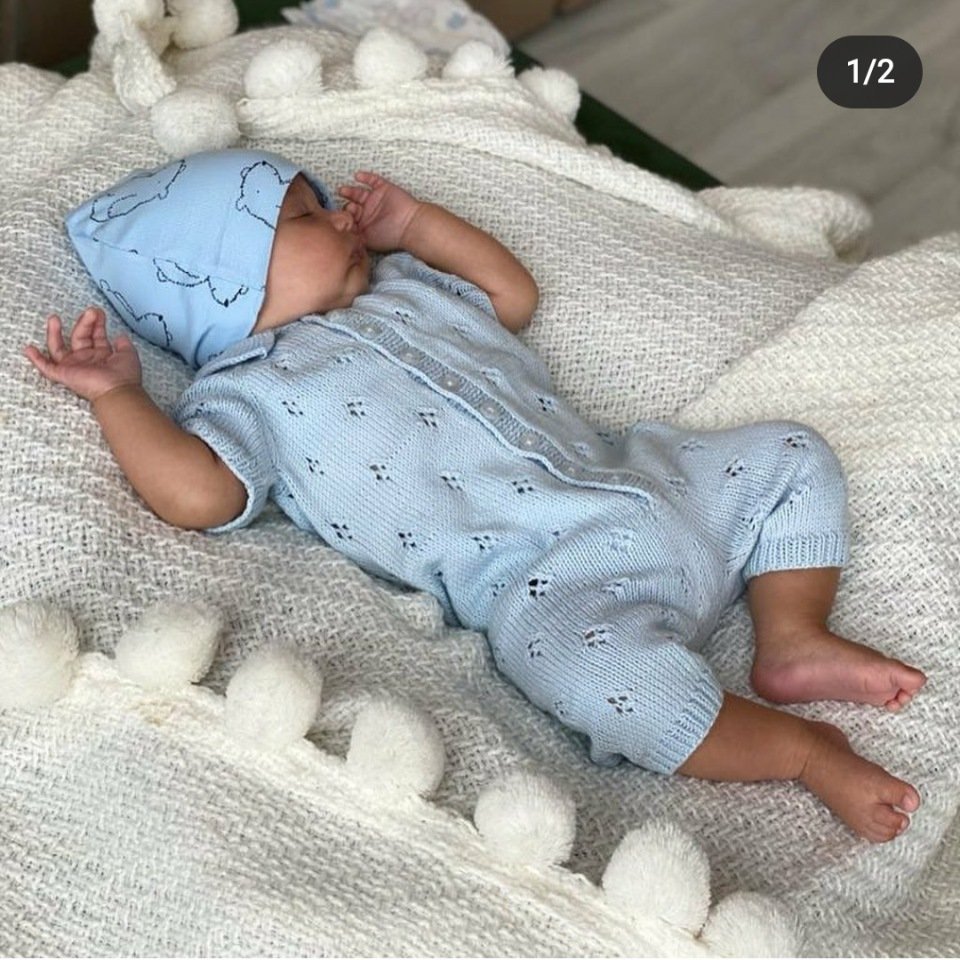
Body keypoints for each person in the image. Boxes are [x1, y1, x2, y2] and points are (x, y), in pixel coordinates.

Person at [25, 149, 927, 843]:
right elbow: (195, 496)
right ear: (225, 279)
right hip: (552, 584)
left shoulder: (404, 290)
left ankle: (791, 636)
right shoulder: (244, 397)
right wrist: (119, 398)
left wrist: (417, 224)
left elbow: (510, 292)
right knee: (605, 685)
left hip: (640, 477)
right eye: (303, 215)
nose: (340, 215)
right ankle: (803, 753)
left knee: (790, 453)